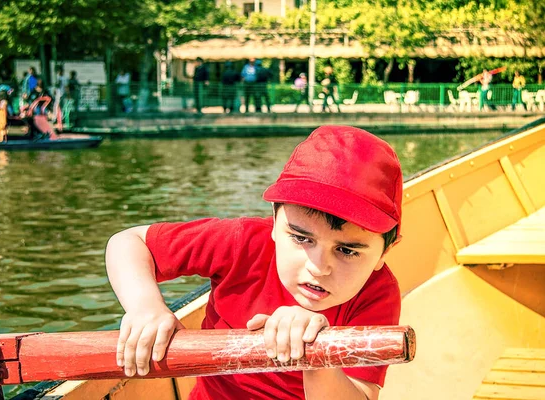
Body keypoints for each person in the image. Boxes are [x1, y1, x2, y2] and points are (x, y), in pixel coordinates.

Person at [106, 125, 403, 400]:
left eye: (348, 251)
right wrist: (146, 307)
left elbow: (361, 394)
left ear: (384, 254)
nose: (318, 266)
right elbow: (130, 242)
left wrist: (318, 357)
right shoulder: (242, 243)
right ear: (274, 220)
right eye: (301, 238)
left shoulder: (377, 293)